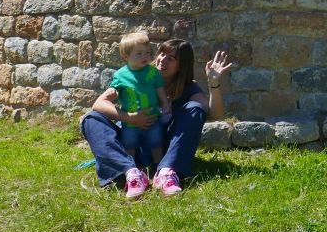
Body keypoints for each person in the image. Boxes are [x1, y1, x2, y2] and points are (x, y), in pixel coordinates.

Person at [80, 38, 234, 199]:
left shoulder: (187, 88)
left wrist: (213, 82)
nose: (162, 59)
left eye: (171, 58)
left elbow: (216, 115)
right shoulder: (134, 75)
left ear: (181, 66)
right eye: (161, 54)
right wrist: (130, 118)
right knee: (91, 118)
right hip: (130, 144)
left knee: (195, 108)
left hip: (162, 150)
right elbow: (99, 104)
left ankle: (166, 172)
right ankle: (129, 172)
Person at [110, 30, 170, 167]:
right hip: (130, 121)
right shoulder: (120, 75)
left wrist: (165, 102)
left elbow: (159, 87)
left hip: (152, 117)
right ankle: (131, 167)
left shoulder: (152, 72)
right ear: (126, 56)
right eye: (139, 53)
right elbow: (114, 91)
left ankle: (158, 166)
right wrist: (113, 91)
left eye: (148, 52)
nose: (145, 56)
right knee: (130, 143)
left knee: (156, 142)